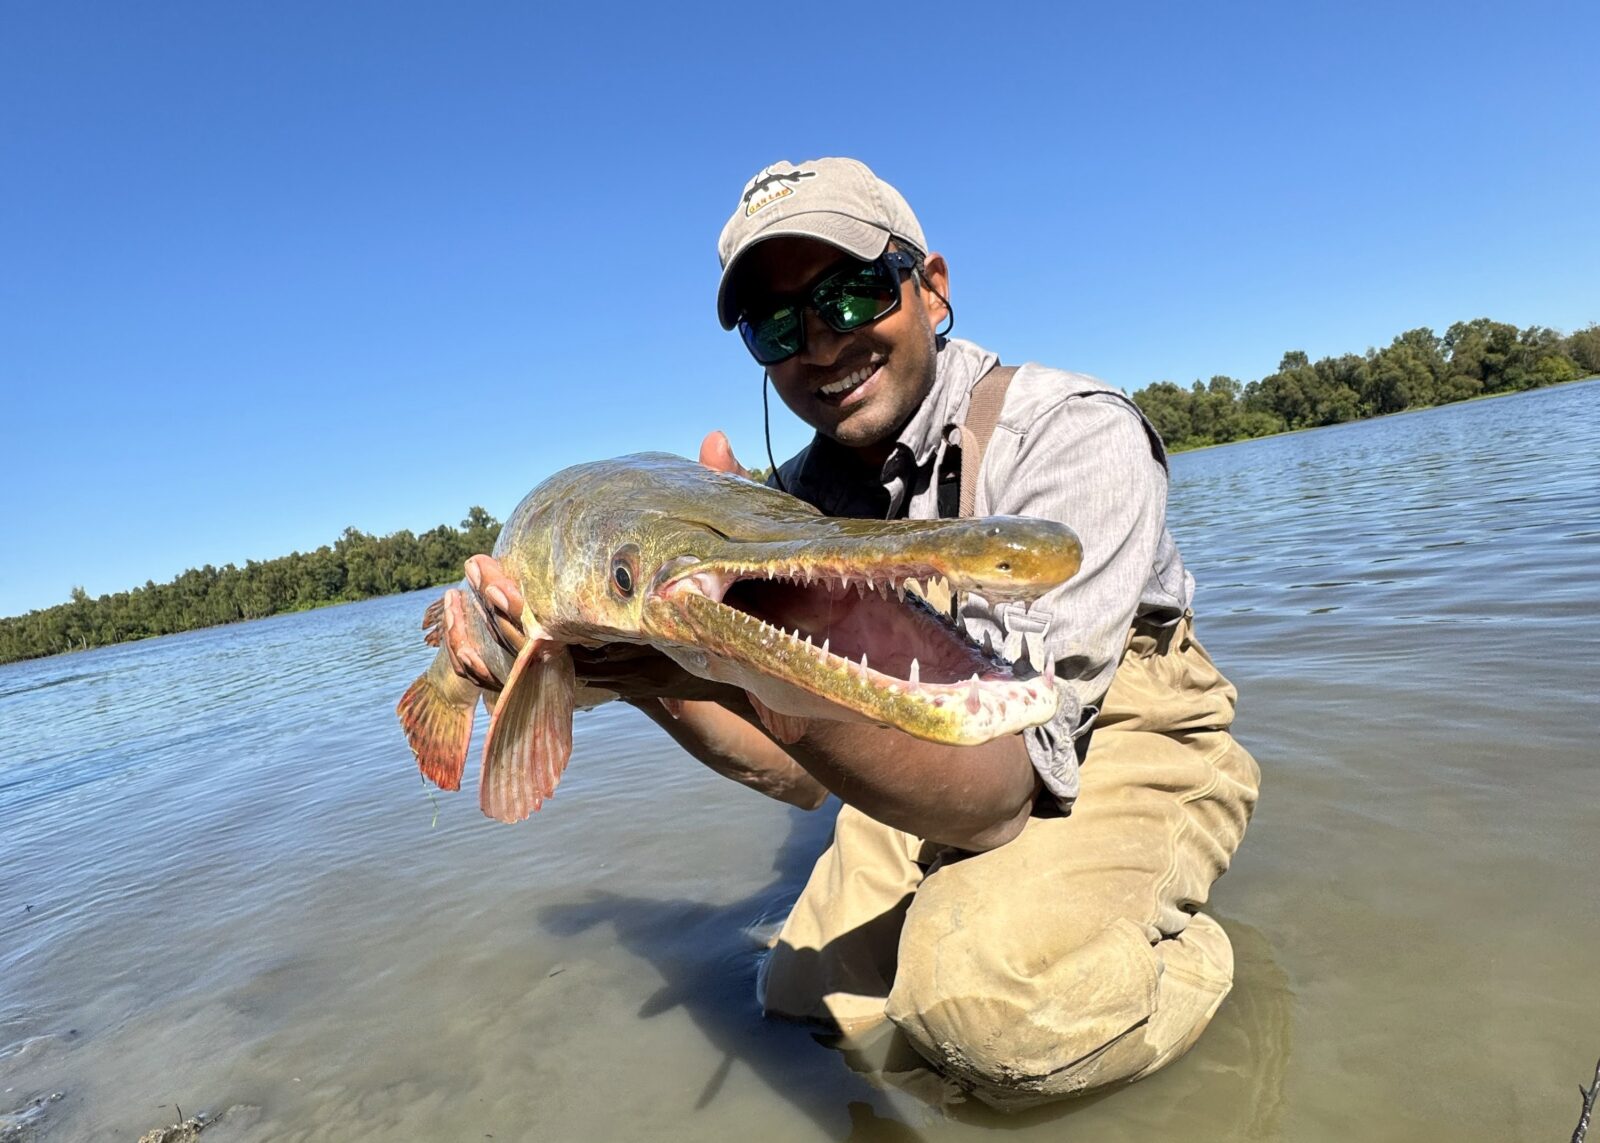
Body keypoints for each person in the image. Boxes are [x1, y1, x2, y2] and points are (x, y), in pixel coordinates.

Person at [449, 157, 1260, 1110]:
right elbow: (792, 771)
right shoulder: (783, 502)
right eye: (778, 325)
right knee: (804, 1006)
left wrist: (748, 658)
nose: (822, 345)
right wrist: (655, 664)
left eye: (851, 293)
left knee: (987, 1017)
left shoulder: (1073, 433)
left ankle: (1170, 961)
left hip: (1105, 729)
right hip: (920, 743)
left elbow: (1001, 795)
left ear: (931, 286)